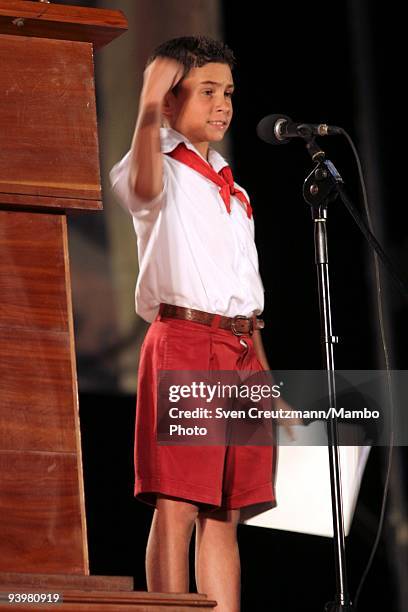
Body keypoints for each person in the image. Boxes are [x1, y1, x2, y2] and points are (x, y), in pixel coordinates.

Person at [110, 35, 276, 612]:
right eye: (206, 91)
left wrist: (265, 379)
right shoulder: (157, 162)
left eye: (227, 92)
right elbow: (143, 188)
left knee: (226, 510)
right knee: (178, 502)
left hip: (239, 350)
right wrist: (149, 102)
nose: (223, 104)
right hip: (185, 339)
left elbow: (245, 296)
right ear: (171, 99)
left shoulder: (236, 189)